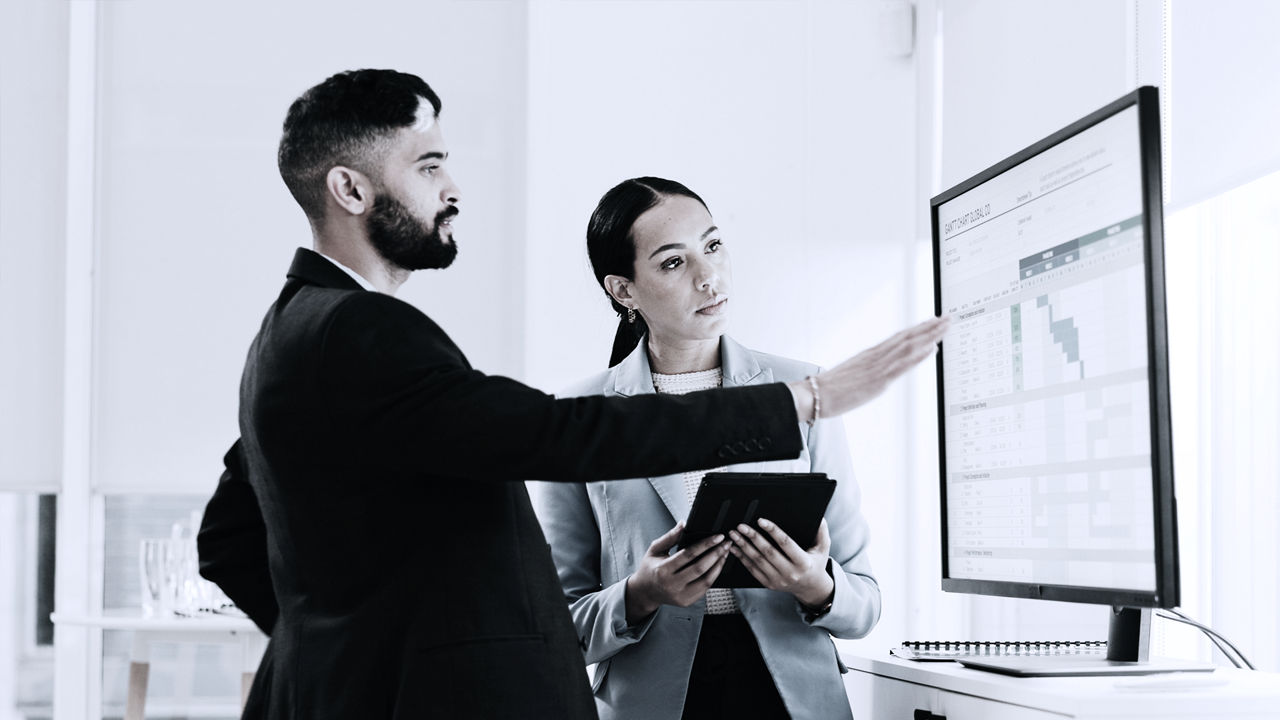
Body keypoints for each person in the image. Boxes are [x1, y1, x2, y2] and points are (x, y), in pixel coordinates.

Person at [195, 69, 948, 720]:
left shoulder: (293, 333)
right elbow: (556, 435)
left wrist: (336, 643)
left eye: (713, 247)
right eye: (428, 166)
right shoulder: (358, 331)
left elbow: (228, 538)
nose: (453, 188)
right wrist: (804, 402)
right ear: (351, 188)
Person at [528, 177, 881, 720]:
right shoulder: (577, 419)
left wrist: (815, 586)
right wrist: (640, 594)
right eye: (673, 263)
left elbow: (865, 604)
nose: (708, 276)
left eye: (713, 246)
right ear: (624, 290)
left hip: (794, 702)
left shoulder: (802, 392)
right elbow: (555, 630)